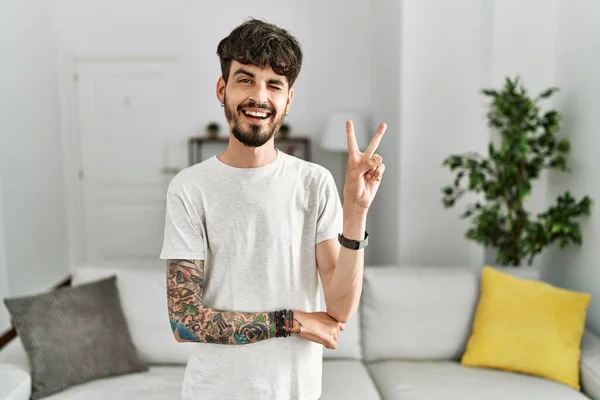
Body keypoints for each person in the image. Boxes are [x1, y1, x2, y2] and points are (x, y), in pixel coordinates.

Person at [159, 17, 386, 400]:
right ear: (222, 88)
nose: (259, 96)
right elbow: (185, 322)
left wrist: (356, 212)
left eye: (274, 84)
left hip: (295, 391)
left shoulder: (314, 183)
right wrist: (292, 321)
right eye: (245, 79)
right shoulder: (189, 188)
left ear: (288, 99)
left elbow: (340, 309)